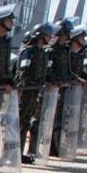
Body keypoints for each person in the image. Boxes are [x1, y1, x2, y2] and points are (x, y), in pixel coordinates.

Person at [16, 22, 55, 163]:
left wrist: (45, 82)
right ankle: (13, 153)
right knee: (20, 122)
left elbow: (44, 73)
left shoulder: (43, 53)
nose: (50, 38)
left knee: (26, 122)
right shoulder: (28, 52)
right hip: (26, 92)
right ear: (40, 36)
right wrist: (33, 84)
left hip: (34, 92)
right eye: (47, 35)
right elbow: (23, 73)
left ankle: (20, 153)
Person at [46, 17, 79, 155]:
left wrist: (77, 79)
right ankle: (47, 148)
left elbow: (68, 71)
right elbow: (48, 71)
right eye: (67, 33)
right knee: (49, 120)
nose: (69, 36)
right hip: (52, 90)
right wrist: (55, 82)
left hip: (63, 89)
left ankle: (56, 148)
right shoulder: (50, 50)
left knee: (60, 121)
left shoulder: (65, 50)